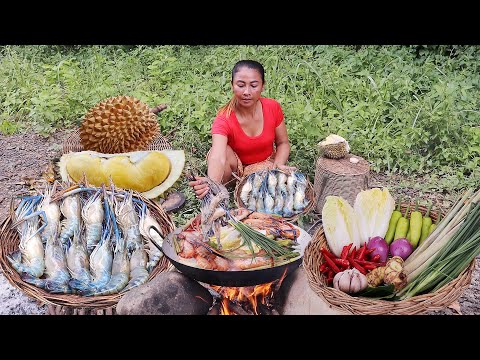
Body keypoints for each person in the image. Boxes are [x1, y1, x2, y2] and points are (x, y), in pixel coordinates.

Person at [189, 59, 295, 199]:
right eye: (240, 85)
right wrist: (211, 183)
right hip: (235, 172)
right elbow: (218, 156)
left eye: (253, 85)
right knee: (224, 152)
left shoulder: (272, 107)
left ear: (263, 86)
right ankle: (216, 188)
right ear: (232, 85)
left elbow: (283, 143)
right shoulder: (224, 118)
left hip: (266, 167)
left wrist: (278, 165)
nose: (246, 92)